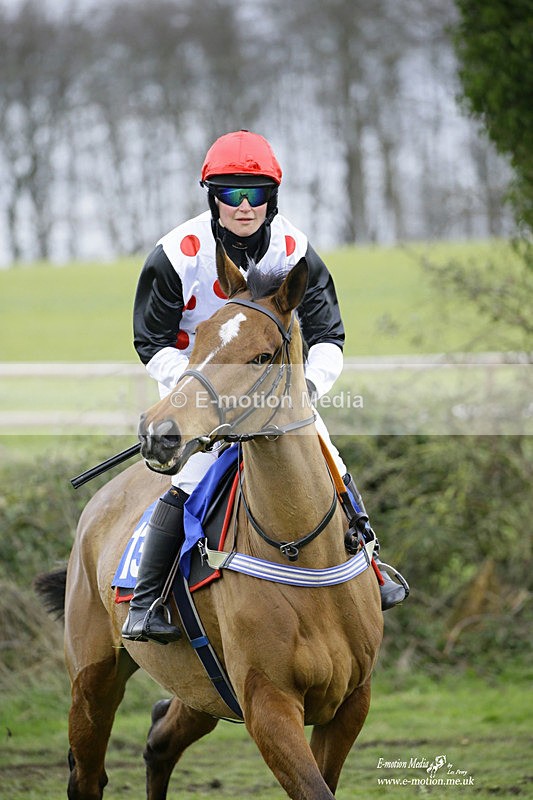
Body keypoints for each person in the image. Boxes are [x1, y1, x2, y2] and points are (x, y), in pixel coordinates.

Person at [122, 130, 407, 644]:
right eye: (231, 193)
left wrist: (306, 389)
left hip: (276, 386)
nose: (245, 205)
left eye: (256, 193)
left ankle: (372, 566)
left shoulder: (296, 250)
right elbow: (151, 341)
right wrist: (200, 392)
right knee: (189, 478)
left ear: (273, 196)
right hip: (201, 385)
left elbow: (328, 336)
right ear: (212, 196)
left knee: (330, 459)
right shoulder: (176, 253)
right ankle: (145, 602)